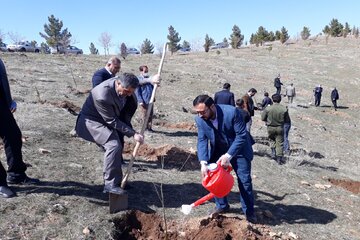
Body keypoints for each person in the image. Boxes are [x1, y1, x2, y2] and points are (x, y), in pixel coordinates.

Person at [75, 73, 144, 194]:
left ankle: (117, 182)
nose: (128, 95)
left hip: (104, 121)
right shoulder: (102, 95)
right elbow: (111, 120)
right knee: (113, 145)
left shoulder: (123, 82)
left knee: (116, 146)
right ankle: (110, 184)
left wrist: (151, 80)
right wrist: (133, 134)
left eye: (131, 92)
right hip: (90, 122)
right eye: (127, 91)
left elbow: (137, 80)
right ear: (118, 83)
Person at [193, 95, 256, 223]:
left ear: (212, 106)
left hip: (239, 150)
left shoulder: (231, 112)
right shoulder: (200, 119)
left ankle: (249, 213)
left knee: (244, 181)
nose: (200, 115)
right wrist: (203, 162)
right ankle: (222, 206)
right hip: (219, 149)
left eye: (203, 112)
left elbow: (241, 135)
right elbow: (202, 139)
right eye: (197, 112)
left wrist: (228, 155)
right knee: (214, 179)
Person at [0, 58, 39, 198]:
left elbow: (2, 81)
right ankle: (0, 183)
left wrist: (9, 101)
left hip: (2, 106)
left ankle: (16, 174)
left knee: (14, 137)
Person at [261, 94, 290, 165]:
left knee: (272, 140)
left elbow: (262, 118)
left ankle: (273, 154)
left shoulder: (268, 109)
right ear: (280, 100)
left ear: (272, 100)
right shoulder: (284, 109)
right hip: (280, 127)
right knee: (279, 143)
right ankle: (279, 158)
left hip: (270, 127)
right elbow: (287, 120)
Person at [136, 65, 154, 131]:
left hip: (150, 100)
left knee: (150, 114)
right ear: (141, 71)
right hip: (144, 100)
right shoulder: (138, 79)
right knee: (145, 114)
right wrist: (140, 101)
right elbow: (137, 91)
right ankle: (145, 128)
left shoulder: (149, 79)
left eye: (147, 71)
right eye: (145, 71)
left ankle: (149, 127)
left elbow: (152, 88)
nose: (146, 72)